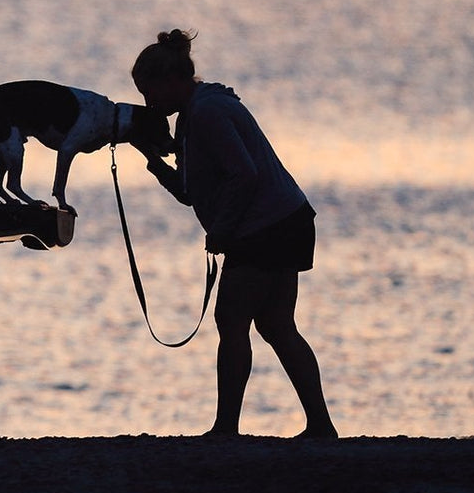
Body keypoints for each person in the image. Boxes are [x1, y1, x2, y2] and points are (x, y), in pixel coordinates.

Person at [131, 29, 337, 439]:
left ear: (171, 81)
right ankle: (320, 425)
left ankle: (226, 427)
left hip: (268, 226)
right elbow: (191, 193)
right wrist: (153, 161)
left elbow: (245, 174)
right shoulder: (195, 114)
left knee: (232, 319)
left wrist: (223, 230)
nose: (148, 103)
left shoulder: (208, 113)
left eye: (149, 92)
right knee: (276, 325)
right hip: (287, 219)